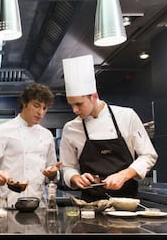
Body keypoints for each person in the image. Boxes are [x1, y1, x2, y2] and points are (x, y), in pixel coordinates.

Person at [59, 54, 158, 202]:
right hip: (90, 205)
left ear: (94, 96)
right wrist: (75, 177)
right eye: (71, 105)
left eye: (79, 104)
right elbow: (67, 166)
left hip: (126, 203)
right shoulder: (71, 128)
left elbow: (148, 155)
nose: (74, 110)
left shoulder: (127, 116)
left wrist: (123, 175)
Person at [0, 83, 62, 208]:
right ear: (25, 103)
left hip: (38, 205)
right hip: (9, 203)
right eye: (36, 106)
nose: (40, 112)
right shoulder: (3, 130)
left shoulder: (47, 135)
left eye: (44, 108)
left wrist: (53, 173)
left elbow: (51, 167)